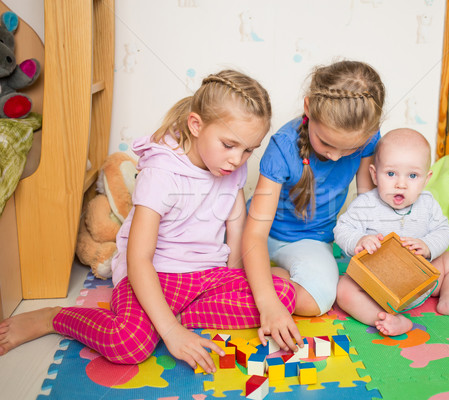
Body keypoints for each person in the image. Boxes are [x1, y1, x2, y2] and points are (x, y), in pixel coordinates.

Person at [0, 70, 297, 373]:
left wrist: (234, 286)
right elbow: (139, 258)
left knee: (283, 295)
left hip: (205, 277)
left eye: (249, 150)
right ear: (196, 125)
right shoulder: (161, 173)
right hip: (153, 275)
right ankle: (55, 317)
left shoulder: (232, 169)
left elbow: (236, 236)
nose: (238, 159)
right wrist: (170, 332)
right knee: (129, 343)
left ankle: (165, 318)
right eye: (229, 145)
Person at [242, 60, 386, 345]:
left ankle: (266, 275)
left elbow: (367, 203)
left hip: (311, 240)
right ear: (308, 108)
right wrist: (269, 305)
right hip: (264, 234)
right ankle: (254, 276)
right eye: (327, 143)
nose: (335, 157)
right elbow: (255, 233)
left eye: (350, 149)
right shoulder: (282, 147)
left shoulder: (368, 137)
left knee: (318, 300)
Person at [333, 128, 449, 336]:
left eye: (412, 175)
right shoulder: (365, 204)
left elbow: (444, 230)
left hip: (420, 283)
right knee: (344, 289)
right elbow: (342, 228)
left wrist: (428, 246)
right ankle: (385, 318)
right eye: (391, 174)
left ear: (426, 179)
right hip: (375, 288)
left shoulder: (427, 204)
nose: (401, 184)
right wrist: (359, 240)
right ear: (375, 175)